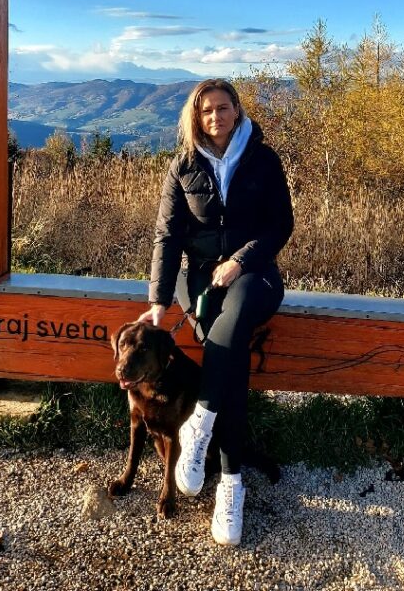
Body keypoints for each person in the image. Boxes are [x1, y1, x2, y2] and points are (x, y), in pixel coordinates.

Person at [138, 78, 293, 546]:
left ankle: (201, 423)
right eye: (206, 110)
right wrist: (158, 301)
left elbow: (281, 225)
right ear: (196, 116)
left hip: (255, 275)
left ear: (237, 110)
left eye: (223, 108)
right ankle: (231, 483)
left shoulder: (263, 160)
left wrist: (240, 260)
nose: (215, 117)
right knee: (231, 363)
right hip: (200, 281)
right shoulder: (183, 165)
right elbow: (167, 237)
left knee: (236, 316)